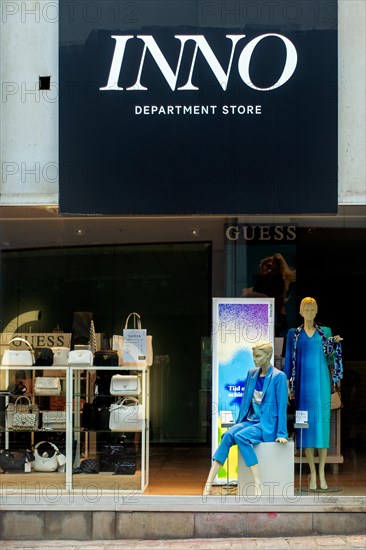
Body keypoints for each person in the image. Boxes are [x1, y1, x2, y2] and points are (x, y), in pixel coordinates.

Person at [203, 341, 288, 496]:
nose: (255, 359)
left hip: (265, 424)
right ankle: (208, 483)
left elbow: (282, 406)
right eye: (253, 356)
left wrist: (282, 433)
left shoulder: (279, 377)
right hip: (249, 420)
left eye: (258, 356)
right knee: (228, 435)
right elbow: (245, 401)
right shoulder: (252, 374)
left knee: (241, 437)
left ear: (268, 355)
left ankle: (257, 483)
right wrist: (239, 423)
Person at [283, 297, 343, 490]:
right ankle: (312, 472)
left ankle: (323, 472)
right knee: (305, 429)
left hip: (322, 385)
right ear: (300, 312)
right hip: (302, 389)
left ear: (317, 311)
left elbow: (331, 357)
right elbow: (288, 363)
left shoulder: (325, 333)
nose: (309, 312)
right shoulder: (294, 334)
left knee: (322, 428)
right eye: (306, 309)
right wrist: (289, 387)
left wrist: (335, 345)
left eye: (312, 309)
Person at [241, 253, 296, 336]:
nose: (269, 271)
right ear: (261, 267)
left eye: (273, 270)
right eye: (268, 267)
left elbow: (283, 324)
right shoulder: (247, 292)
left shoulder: (277, 298)